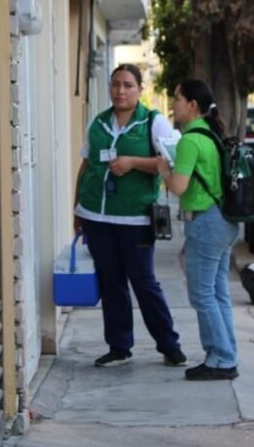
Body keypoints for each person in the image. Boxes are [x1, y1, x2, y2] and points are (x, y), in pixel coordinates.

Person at [73, 64, 186, 368]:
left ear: (139, 89)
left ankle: (169, 344)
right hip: (97, 217)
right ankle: (119, 346)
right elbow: (86, 167)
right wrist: (77, 209)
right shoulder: (98, 123)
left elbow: (170, 162)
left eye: (127, 85)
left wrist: (133, 162)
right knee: (111, 283)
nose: (120, 91)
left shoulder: (153, 121)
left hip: (136, 219)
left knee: (144, 282)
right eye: (115, 85)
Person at [156, 79, 241, 381]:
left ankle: (220, 358)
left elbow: (179, 186)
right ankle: (226, 354)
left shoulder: (190, 140)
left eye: (178, 98)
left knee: (202, 295)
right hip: (225, 221)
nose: (174, 103)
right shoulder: (211, 134)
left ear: (192, 105)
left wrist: (164, 169)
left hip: (205, 223)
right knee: (218, 293)